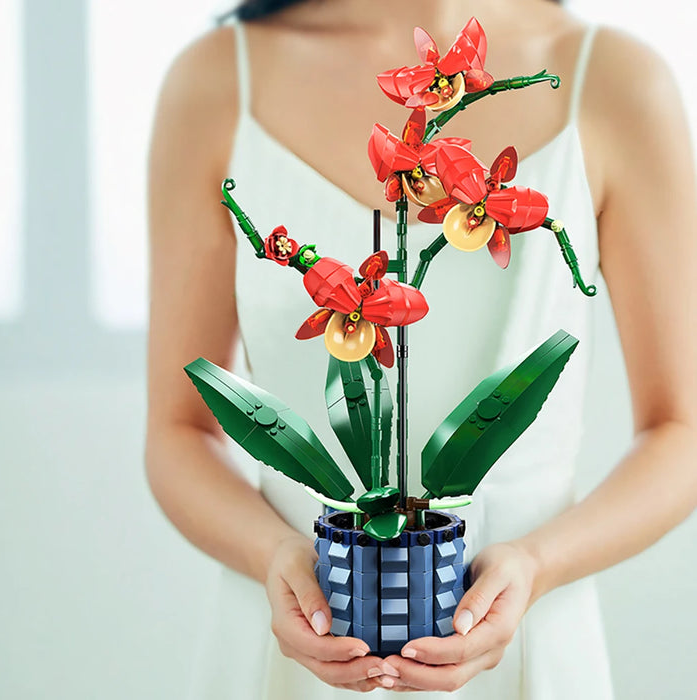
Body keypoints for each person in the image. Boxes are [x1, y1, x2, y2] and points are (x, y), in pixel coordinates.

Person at [145, 0, 697, 696]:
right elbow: (177, 429)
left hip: (526, 643)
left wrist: (537, 563)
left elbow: (682, 431)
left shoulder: (617, 81)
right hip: (292, 644)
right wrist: (274, 554)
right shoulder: (217, 80)